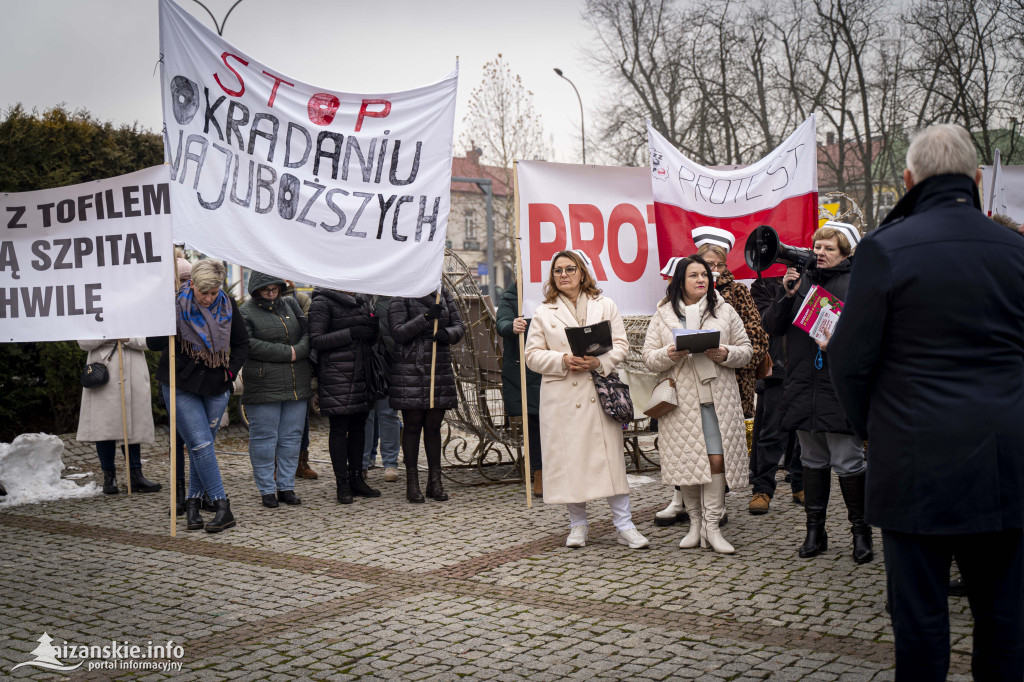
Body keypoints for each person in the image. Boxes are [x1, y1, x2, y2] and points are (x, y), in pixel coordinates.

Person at [828, 123, 1024, 680]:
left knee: (920, 627)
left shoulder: (886, 249)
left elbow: (848, 359)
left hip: (915, 459)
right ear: (977, 179)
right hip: (1006, 460)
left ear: (908, 179)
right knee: (1006, 623)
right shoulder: (1016, 250)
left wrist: (873, 428)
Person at [762, 220, 872, 564]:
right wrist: (787, 295)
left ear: (845, 252)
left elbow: (867, 336)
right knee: (812, 459)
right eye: (818, 247)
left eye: (828, 248)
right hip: (802, 384)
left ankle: (861, 532)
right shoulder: (801, 279)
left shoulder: (858, 283)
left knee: (848, 460)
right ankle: (815, 531)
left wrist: (836, 344)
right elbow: (771, 326)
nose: (820, 253)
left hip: (838, 386)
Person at [524, 250, 649, 549]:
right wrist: (563, 359)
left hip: (598, 394)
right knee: (571, 463)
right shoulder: (544, 311)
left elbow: (621, 344)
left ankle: (625, 524)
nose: (563, 274)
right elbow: (531, 356)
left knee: (611, 462)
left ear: (582, 272)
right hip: (563, 396)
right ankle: (578, 524)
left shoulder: (605, 304)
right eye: (557, 271)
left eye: (570, 269)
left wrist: (600, 362)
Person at [642, 255, 752, 553]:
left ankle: (713, 527)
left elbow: (747, 351)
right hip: (681, 402)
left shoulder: (725, 310)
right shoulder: (663, 314)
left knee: (716, 459)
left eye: (704, 274)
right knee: (688, 462)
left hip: (717, 399)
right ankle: (694, 525)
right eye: (693, 275)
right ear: (680, 281)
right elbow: (649, 358)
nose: (701, 279)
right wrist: (670, 353)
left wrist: (725, 352)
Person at [148, 259, 248, 533]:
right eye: (204, 292)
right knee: (202, 445)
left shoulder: (227, 305)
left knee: (199, 447)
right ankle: (221, 505)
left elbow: (241, 343)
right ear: (191, 285)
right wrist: (162, 316)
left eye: (213, 293)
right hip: (180, 383)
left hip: (216, 385)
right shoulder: (175, 305)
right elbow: (153, 344)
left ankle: (192, 504)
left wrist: (229, 373)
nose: (208, 298)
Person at [240, 273, 311, 509]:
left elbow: (307, 333)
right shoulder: (246, 311)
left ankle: (286, 486)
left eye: (274, 289)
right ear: (256, 290)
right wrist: (288, 353)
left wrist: (298, 351)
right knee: (264, 438)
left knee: (292, 437)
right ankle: (266, 489)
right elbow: (249, 344)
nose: (271, 294)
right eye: (265, 290)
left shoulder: (290, 303)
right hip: (263, 385)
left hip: (295, 382)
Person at [388, 287, 466, 503]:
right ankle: (412, 483)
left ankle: (435, 481)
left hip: (438, 367)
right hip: (410, 369)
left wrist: (448, 334)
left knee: (433, 425)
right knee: (412, 425)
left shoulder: (443, 293)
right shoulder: (401, 295)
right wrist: (424, 318)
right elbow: (398, 332)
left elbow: (460, 326)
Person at [308, 289, 381, 504]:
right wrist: (352, 333)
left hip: (362, 372)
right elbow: (317, 340)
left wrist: (372, 328)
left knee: (359, 427)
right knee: (340, 429)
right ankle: (342, 482)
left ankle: (357, 478)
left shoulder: (362, 300)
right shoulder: (322, 302)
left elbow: (370, 337)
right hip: (336, 374)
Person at [76, 337, 161, 495]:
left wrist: (128, 338)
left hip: (134, 368)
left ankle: (135, 475)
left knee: (133, 423)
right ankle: (109, 478)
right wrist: (108, 334)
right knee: (105, 424)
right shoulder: (94, 313)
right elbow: (83, 343)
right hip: (105, 367)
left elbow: (149, 341)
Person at [749, 276, 804, 511]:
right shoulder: (761, 286)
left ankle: (800, 484)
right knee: (772, 432)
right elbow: (767, 323)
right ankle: (762, 489)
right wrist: (786, 294)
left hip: (806, 365)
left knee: (805, 433)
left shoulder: (815, 280)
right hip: (779, 369)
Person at [496, 282, 543, 495]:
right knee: (535, 421)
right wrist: (511, 326)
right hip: (527, 367)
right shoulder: (512, 295)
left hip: (555, 363)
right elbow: (502, 321)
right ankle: (539, 472)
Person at [362, 294, 401, 483]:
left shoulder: (393, 299)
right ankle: (362, 462)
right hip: (362, 364)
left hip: (387, 364)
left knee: (388, 414)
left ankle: (390, 463)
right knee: (365, 416)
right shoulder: (359, 298)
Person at [283, 279, 318, 481]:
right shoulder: (260, 299)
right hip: (279, 365)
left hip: (300, 363)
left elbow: (306, 329)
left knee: (302, 417)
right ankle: (280, 462)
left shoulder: (301, 298)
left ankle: (301, 461)